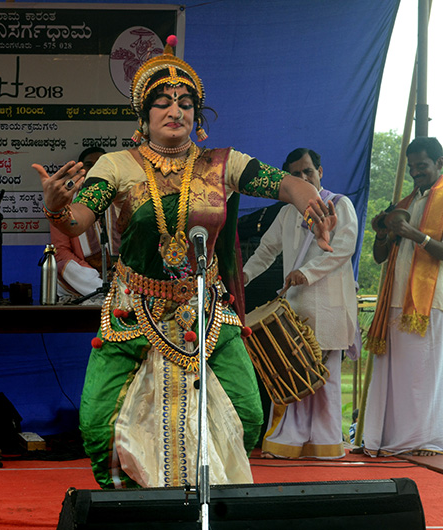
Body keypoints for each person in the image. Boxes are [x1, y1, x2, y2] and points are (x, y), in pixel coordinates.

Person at [32, 36, 337, 489]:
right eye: (162, 103)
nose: (175, 111)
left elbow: (283, 183)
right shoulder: (117, 165)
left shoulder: (222, 162)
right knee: (97, 424)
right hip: (134, 309)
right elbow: (78, 220)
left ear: (197, 114)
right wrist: (56, 207)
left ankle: (209, 499)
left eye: (185, 103)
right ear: (144, 116)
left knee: (247, 413)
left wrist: (309, 199)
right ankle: (130, 505)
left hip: (206, 307)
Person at [242, 148, 359, 459]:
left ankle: (326, 444)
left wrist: (305, 272)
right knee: (293, 370)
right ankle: (290, 441)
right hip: (296, 306)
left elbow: (344, 248)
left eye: (308, 171)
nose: (304, 177)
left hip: (330, 305)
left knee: (326, 377)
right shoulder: (287, 211)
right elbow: (266, 251)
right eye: (296, 174)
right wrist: (243, 277)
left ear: (321, 171)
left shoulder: (339, 204)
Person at [364, 136, 443, 457]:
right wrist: (383, 233)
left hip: (430, 302)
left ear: (439, 163)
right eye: (412, 167)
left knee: (422, 373)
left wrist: (416, 235)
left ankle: (425, 440)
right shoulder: (405, 202)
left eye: (421, 166)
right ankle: (392, 438)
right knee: (395, 374)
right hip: (395, 300)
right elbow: (380, 257)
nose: (415, 173)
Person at [49, 147, 121, 302]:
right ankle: (108, 295)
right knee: (64, 266)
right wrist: (94, 277)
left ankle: (114, 293)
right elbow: (61, 250)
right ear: (79, 171)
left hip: (121, 271)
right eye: (89, 164)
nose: (95, 169)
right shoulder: (65, 201)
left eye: (100, 164)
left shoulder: (122, 198)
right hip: (86, 276)